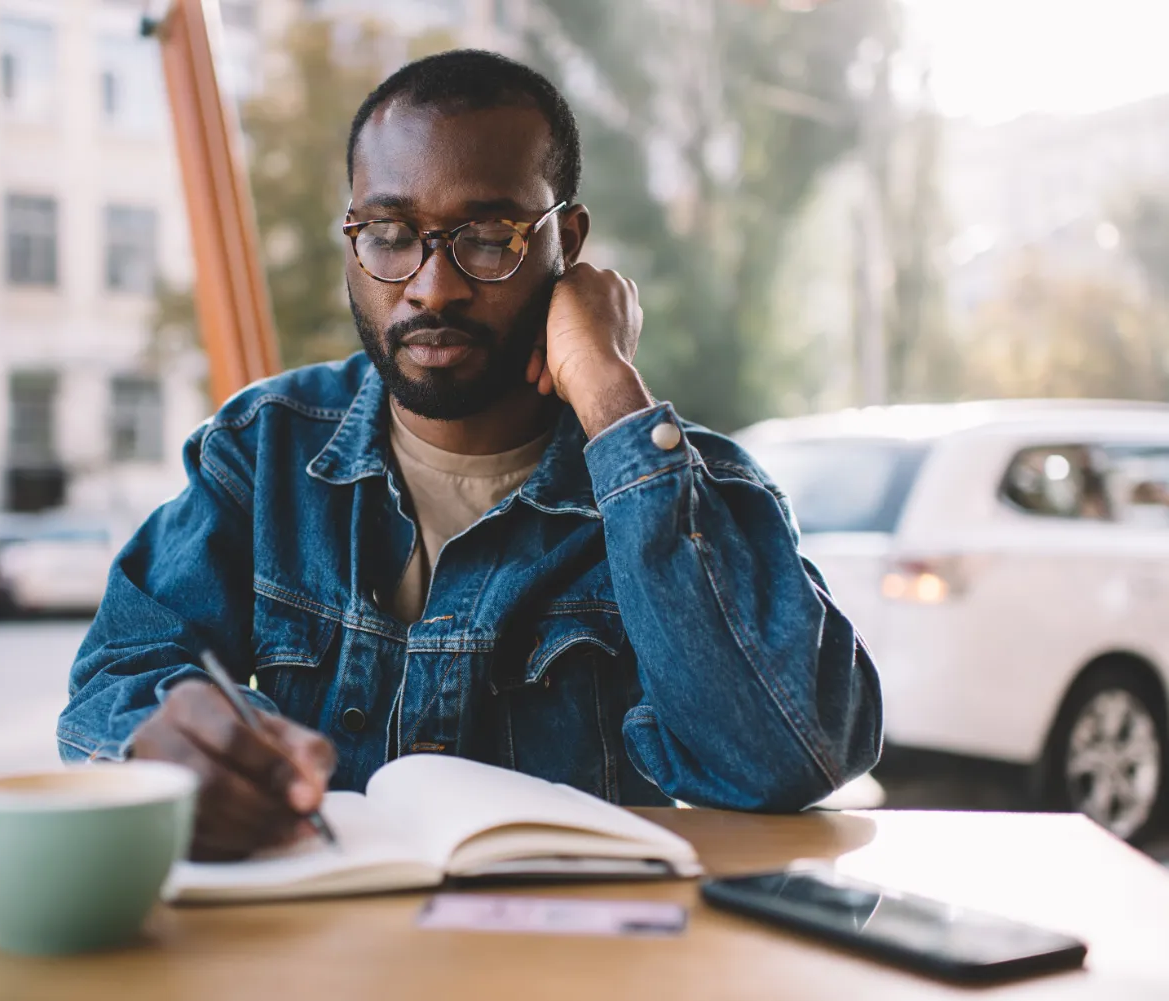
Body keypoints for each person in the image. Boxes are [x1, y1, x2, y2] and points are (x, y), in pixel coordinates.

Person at [59, 49, 882, 861]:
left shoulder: (686, 489)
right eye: (389, 234)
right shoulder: (264, 449)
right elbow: (115, 678)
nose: (432, 287)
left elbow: (787, 758)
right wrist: (165, 739)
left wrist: (608, 394)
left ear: (570, 240)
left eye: (489, 239)